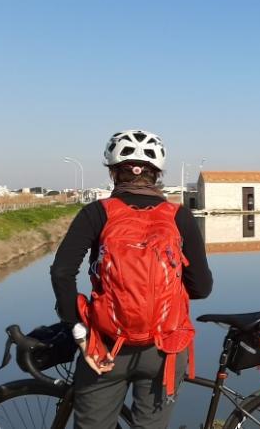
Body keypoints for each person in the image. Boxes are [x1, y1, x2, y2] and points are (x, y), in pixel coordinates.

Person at [50, 130, 213, 428]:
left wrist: (79, 332)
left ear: (113, 173)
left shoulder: (95, 213)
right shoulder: (179, 216)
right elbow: (202, 287)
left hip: (106, 346)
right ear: (157, 175)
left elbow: (62, 272)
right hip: (164, 348)